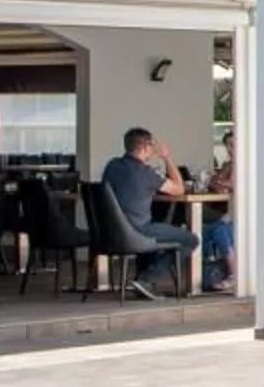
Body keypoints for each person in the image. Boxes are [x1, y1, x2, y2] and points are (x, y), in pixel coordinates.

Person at [101, 127, 197, 297]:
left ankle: (142, 282)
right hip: (138, 231)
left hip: (110, 232)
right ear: (144, 147)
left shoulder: (112, 166)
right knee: (190, 240)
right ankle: (146, 279)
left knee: (161, 228)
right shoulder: (146, 173)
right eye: (152, 146)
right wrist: (167, 157)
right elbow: (179, 189)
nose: (153, 151)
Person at [199, 132, 237, 294]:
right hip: (228, 213)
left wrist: (222, 182)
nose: (229, 149)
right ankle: (207, 271)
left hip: (245, 218)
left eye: (232, 145)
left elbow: (234, 184)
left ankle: (235, 275)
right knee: (202, 229)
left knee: (221, 230)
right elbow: (216, 182)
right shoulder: (228, 165)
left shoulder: (249, 164)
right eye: (227, 145)